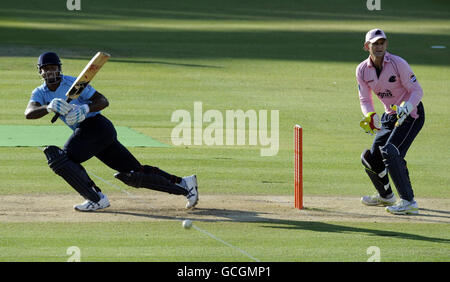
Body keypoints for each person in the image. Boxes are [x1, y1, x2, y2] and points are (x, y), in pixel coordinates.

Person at [25, 52, 199, 212]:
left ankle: (96, 198)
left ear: (59, 68)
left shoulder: (74, 84)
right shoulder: (40, 92)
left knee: (61, 159)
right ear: (40, 71)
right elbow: (29, 113)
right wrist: (48, 107)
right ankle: (185, 184)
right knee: (133, 173)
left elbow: (102, 100)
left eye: (53, 68)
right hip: (90, 133)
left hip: (96, 126)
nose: (50, 72)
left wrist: (84, 109)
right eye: (46, 69)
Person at [356, 29, 425, 215]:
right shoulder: (362, 70)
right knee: (371, 157)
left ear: (386, 45)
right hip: (390, 115)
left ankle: (409, 201)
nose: (379, 47)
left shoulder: (397, 63)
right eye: (374, 44)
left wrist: (407, 107)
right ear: (366, 46)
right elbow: (365, 99)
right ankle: (385, 195)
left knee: (391, 151)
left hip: (412, 114)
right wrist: (370, 115)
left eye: (382, 43)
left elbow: (417, 91)